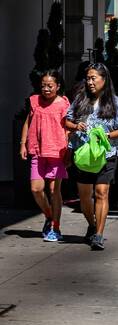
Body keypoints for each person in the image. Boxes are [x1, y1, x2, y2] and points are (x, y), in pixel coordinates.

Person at [64, 63, 118, 251]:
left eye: (94, 78)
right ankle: (92, 225)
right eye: (88, 78)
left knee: (102, 192)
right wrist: (76, 126)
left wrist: (106, 136)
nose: (90, 82)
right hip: (84, 154)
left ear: (104, 79)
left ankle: (99, 234)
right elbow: (67, 120)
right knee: (85, 197)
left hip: (106, 154)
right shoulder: (80, 100)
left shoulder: (116, 103)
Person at [20, 70, 70, 241]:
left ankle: (55, 227)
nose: (46, 89)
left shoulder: (63, 104)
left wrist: (69, 151)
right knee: (36, 189)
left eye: (50, 86)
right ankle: (49, 216)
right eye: (43, 86)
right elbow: (28, 122)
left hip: (57, 152)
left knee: (53, 190)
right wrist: (23, 144)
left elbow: (68, 128)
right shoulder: (35, 101)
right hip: (38, 150)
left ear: (58, 86)